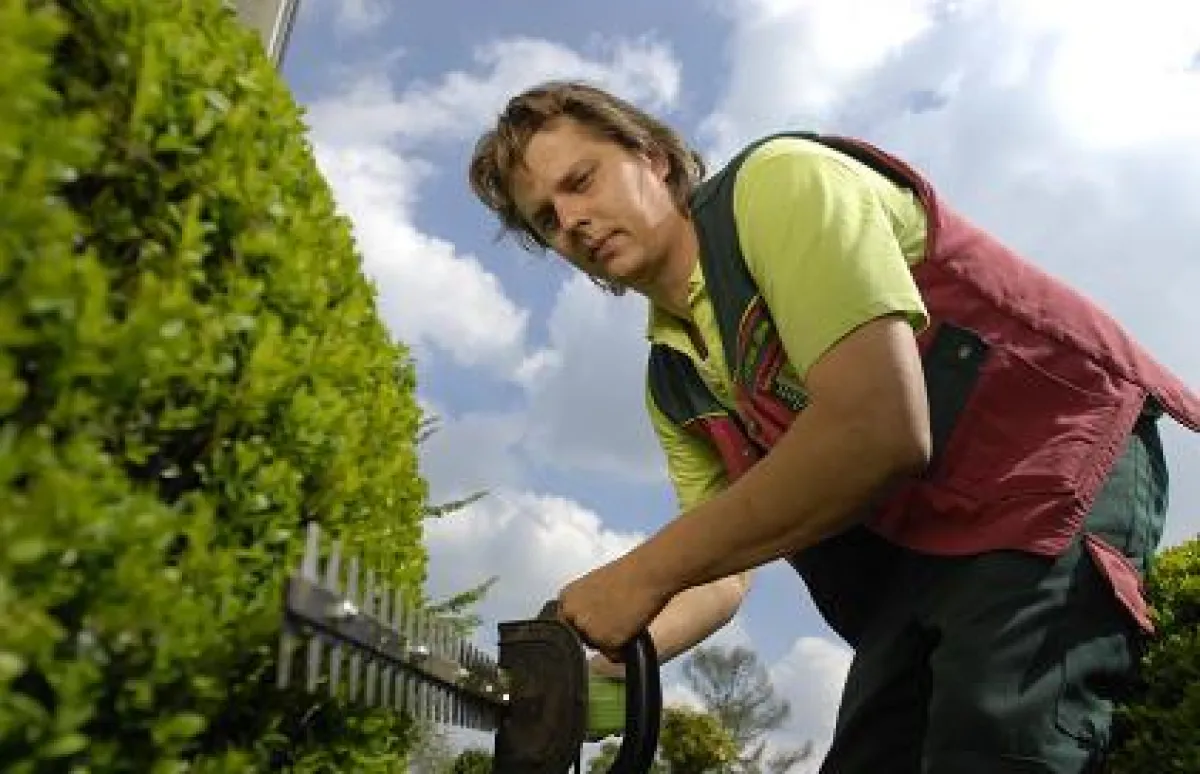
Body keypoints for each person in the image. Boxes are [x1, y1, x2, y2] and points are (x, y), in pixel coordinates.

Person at [466, 80, 1200, 772]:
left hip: (1047, 473)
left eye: (580, 181)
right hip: (922, 552)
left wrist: (638, 574)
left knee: (992, 734)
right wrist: (613, 663)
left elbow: (877, 427)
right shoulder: (675, 381)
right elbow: (721, 574)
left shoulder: (780, 186)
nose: (573, 223)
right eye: (547, 221)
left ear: (652, 159)